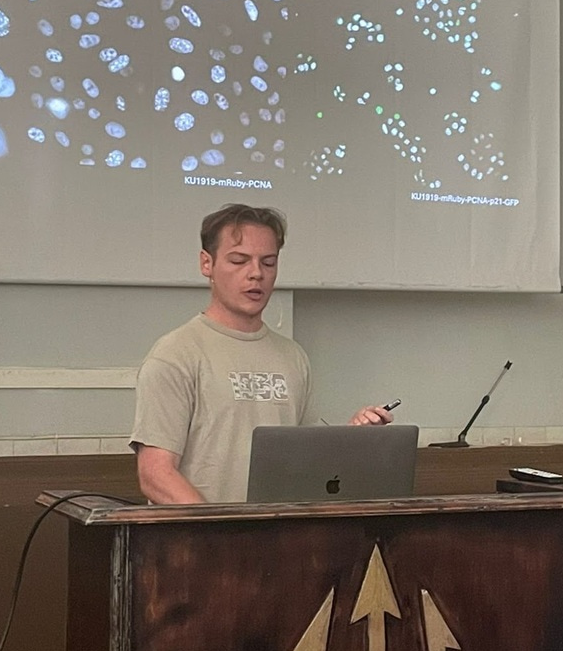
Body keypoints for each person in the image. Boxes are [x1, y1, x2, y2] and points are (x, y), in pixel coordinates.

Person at [130, 204, 393, 503]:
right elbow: (155, 474)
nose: (256, 274)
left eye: (268, 263)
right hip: (203, 544)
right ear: (207, 264)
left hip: (279, 541)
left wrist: (351, 436)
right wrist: (220, 532)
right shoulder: (175, 355)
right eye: (239, 261)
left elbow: (307, 464)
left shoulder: (292, 357)